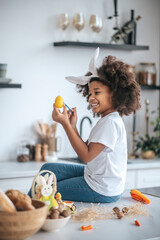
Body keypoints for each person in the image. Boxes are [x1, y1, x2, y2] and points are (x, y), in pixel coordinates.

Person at [29, 48, 141, 203]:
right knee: (49, 170)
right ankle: (27, 206)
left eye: (96, 92)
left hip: (101, 189)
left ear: (114, 93)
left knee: (44, 188)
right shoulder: (108, 120)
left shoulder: (110, 123)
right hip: (95, 177)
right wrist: (72, 126)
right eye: (89, 93)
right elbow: (87, 148)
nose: (90, 98)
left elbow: (86, 156)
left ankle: (24, 210)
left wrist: (65, 124)